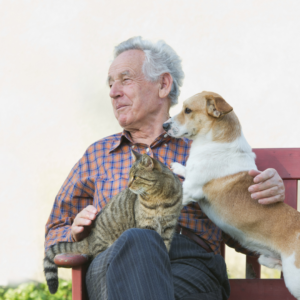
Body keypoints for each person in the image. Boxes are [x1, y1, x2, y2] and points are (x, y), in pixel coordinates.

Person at [45, 37, 285, 300]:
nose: (113, 91)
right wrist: (74, 231)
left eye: (125, 80)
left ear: (163, 84)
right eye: (111, 83)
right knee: (139, 239)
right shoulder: (98, 154)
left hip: (190, 264)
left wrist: (263, 199)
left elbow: (247, 234)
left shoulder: (207, 151)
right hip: (113, 261)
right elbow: (56, 228)